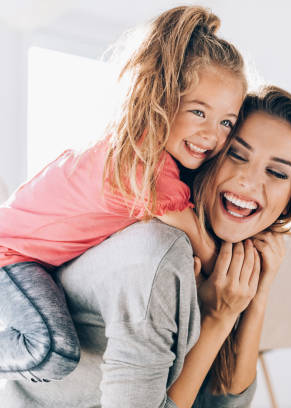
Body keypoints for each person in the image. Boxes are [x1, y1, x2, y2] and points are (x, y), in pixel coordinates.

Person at [1, 86, 291, 408]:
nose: (250, 180)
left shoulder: (225, 256)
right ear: (208, 154)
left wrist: (256, 298)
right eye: (236, 155)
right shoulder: (160, 251)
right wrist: (219, 317)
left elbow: (222, 403)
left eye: (276, 172)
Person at [0, 5, 245, 382]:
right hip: (9, 255)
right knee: (53, 350)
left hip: (26, 253)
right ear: (162, 98)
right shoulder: (143, 163)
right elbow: (202, 247)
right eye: (199, 113)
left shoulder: (148, 155)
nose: (213, 135)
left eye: (226, 122)